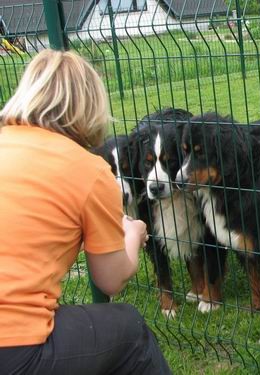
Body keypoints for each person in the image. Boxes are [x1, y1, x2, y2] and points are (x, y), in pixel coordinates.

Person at [0, 49, 171, 374]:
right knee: (130, 329)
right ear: (90, 108)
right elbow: (110, 280)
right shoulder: (89, 170)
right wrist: (132, 235)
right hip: (13, 348)